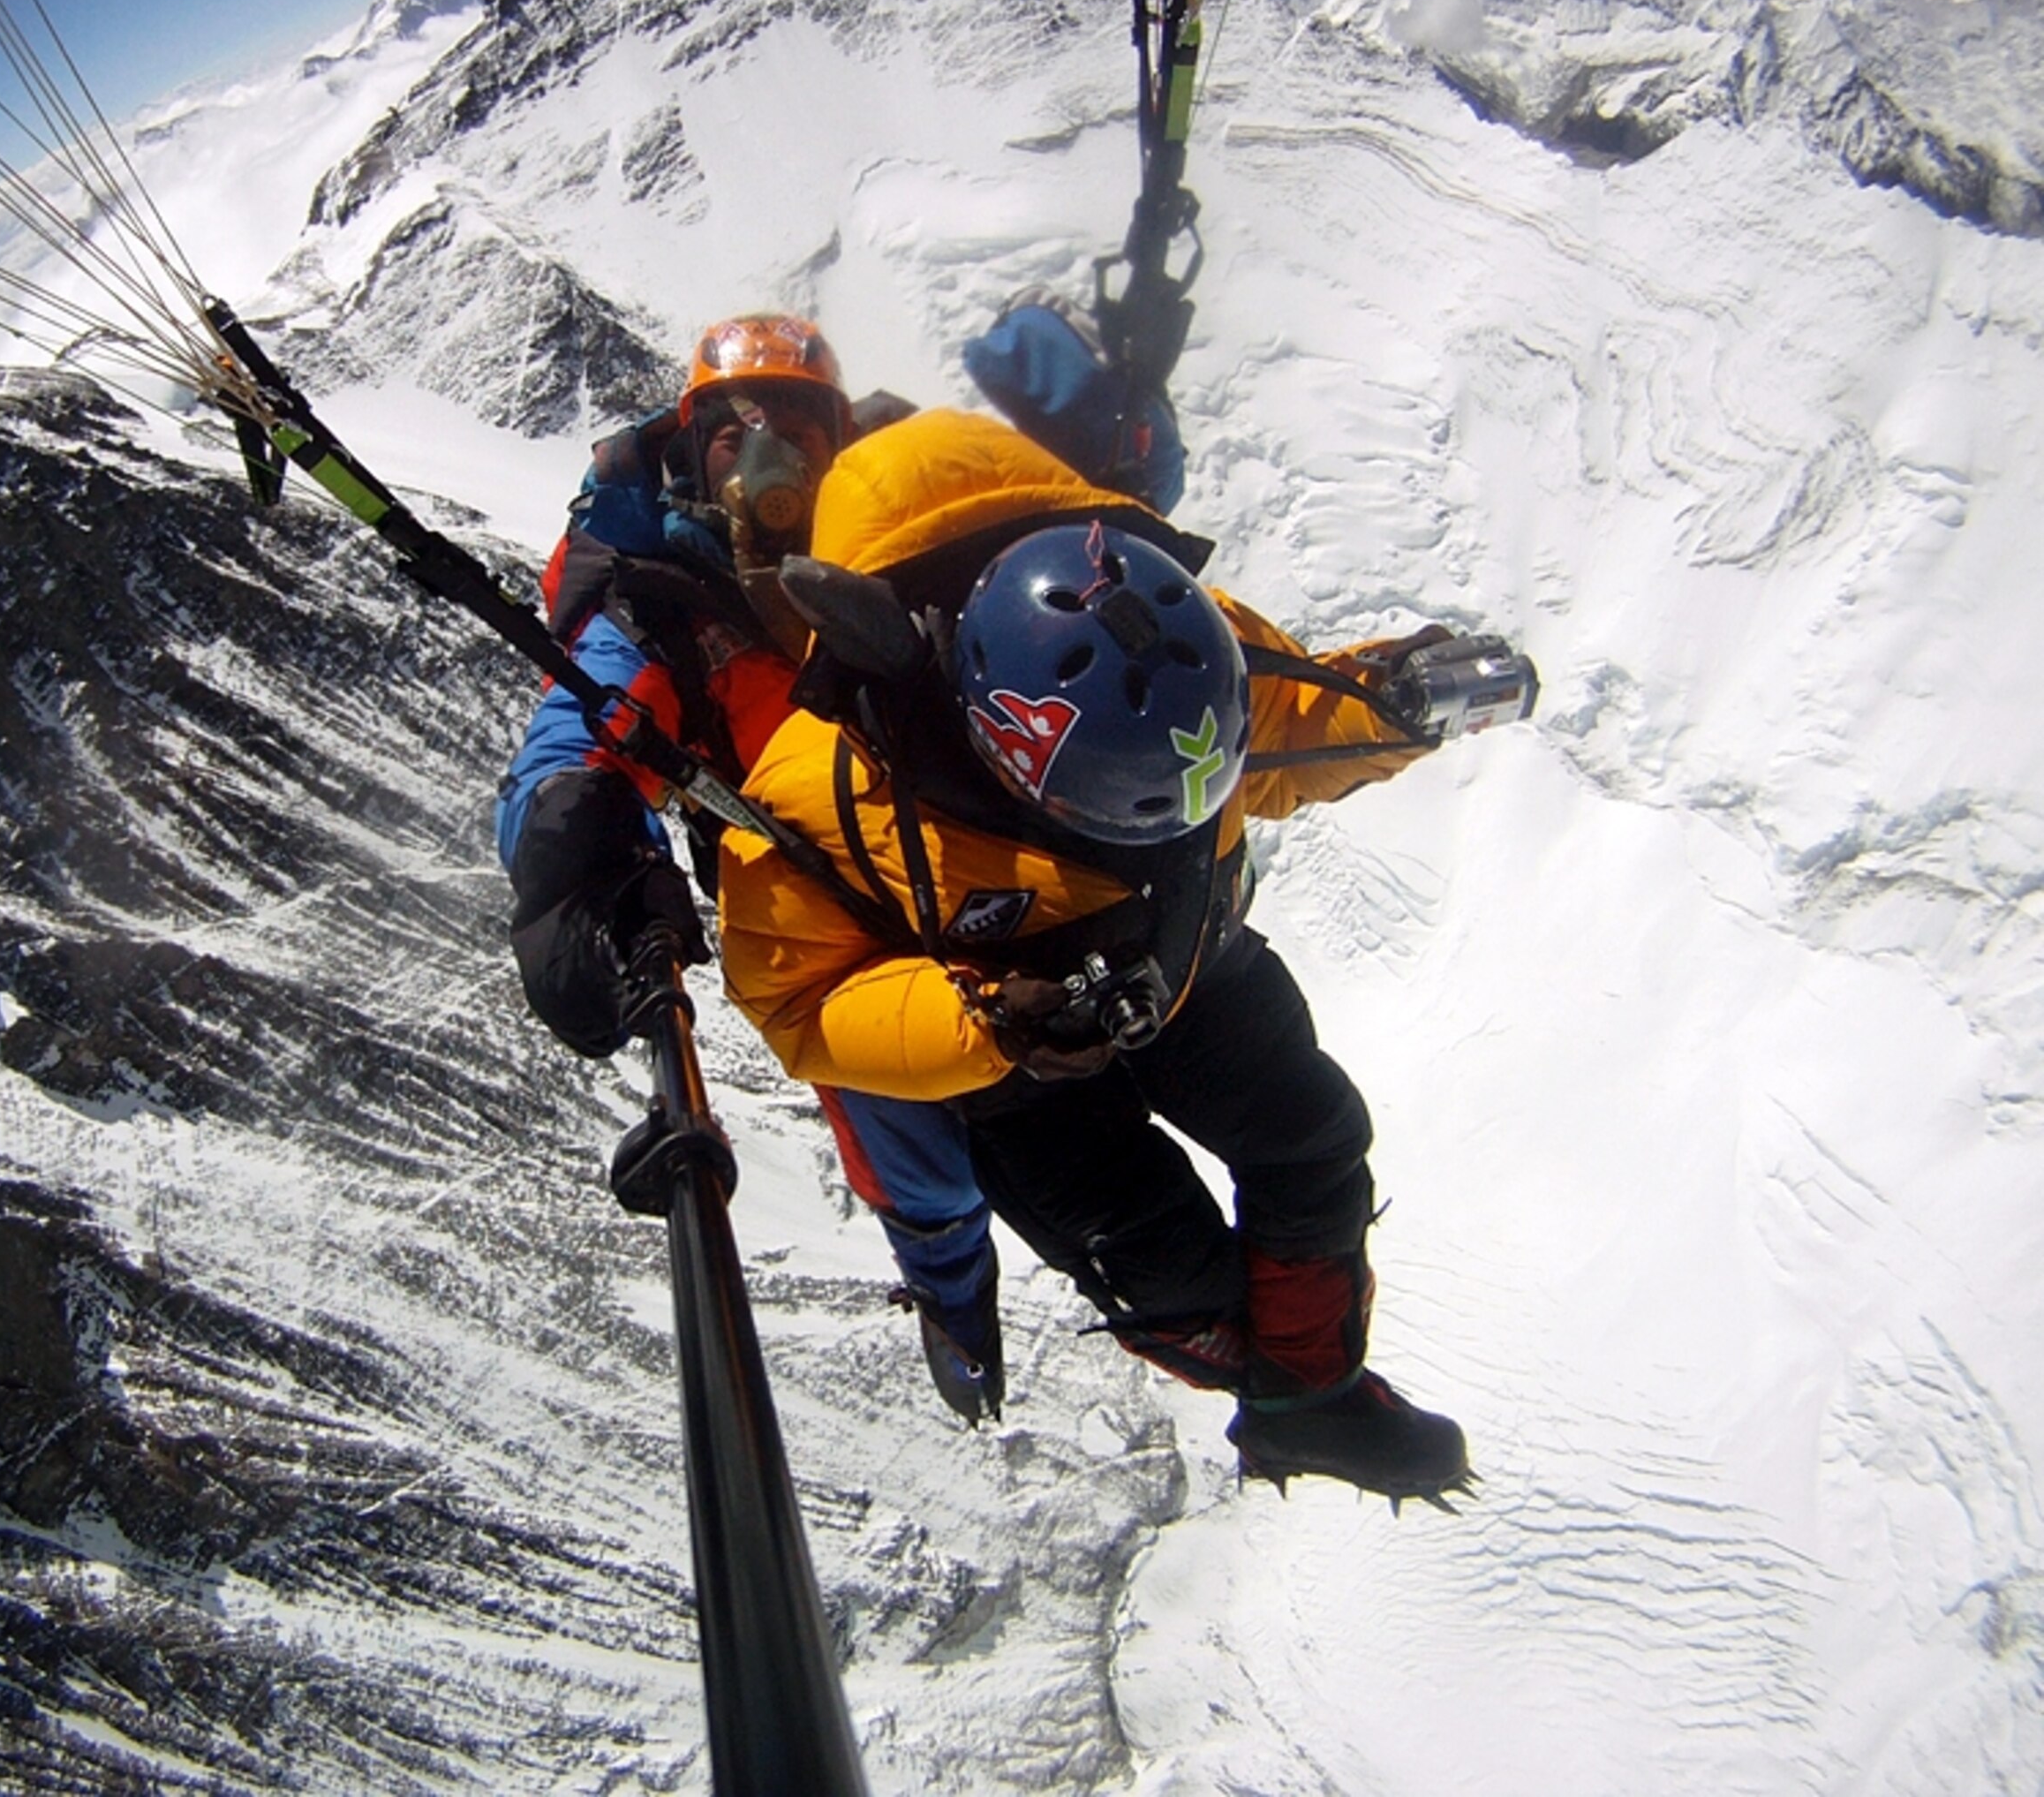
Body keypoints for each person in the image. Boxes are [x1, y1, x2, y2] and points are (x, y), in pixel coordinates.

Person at [714, 404, 1533, 1499]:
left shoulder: (1177, 631)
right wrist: (985, 1022)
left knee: (1311, 1147)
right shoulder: (821, 798)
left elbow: (1277, 729)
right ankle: (1296, 1391)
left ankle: (1302, 1404)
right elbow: (804, 1001)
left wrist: (1389, 697)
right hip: (1034, 1056)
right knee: (1178, 1263)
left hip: (1164, 971)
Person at [494, 315, 1015, 1423]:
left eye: (790, 425)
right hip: (825, 907)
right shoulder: (657, 604)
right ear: (687, 455)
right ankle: (956, 1295)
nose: (763, 451)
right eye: (731, 433)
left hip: (975, 842)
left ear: (842, 448)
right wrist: (567, 847)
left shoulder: (919, 534)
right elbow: (580, 735)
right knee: (914, 1143)